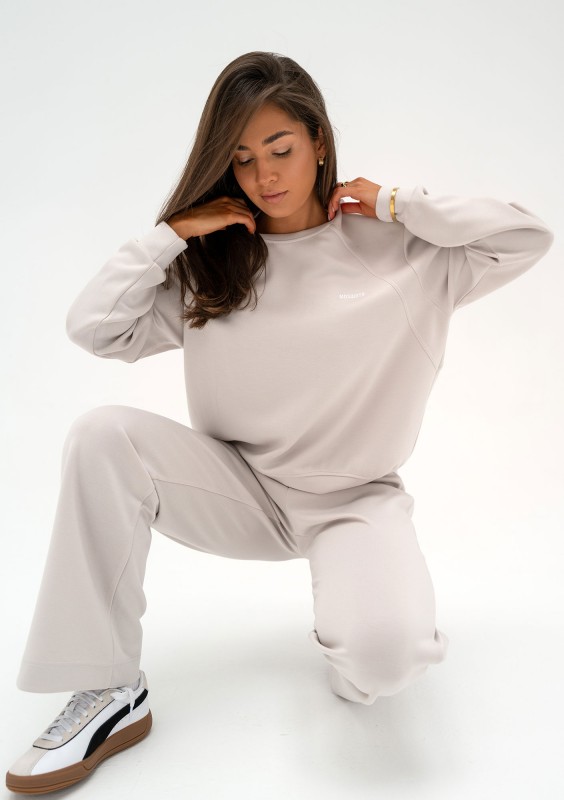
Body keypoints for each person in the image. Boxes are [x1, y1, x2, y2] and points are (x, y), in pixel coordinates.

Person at [6, 50, 554, 795]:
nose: (264, 175)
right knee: (102, 435)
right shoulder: (215, 265)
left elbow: (526, 235)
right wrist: (171, 235)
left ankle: (353, 629)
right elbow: (94, 328)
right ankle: (107, 688)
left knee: (386, 661)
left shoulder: (410, 255)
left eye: (281, 148)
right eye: (242, 158)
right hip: (238, 489)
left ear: (319, 141)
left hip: (355, 501)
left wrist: (398, 203)